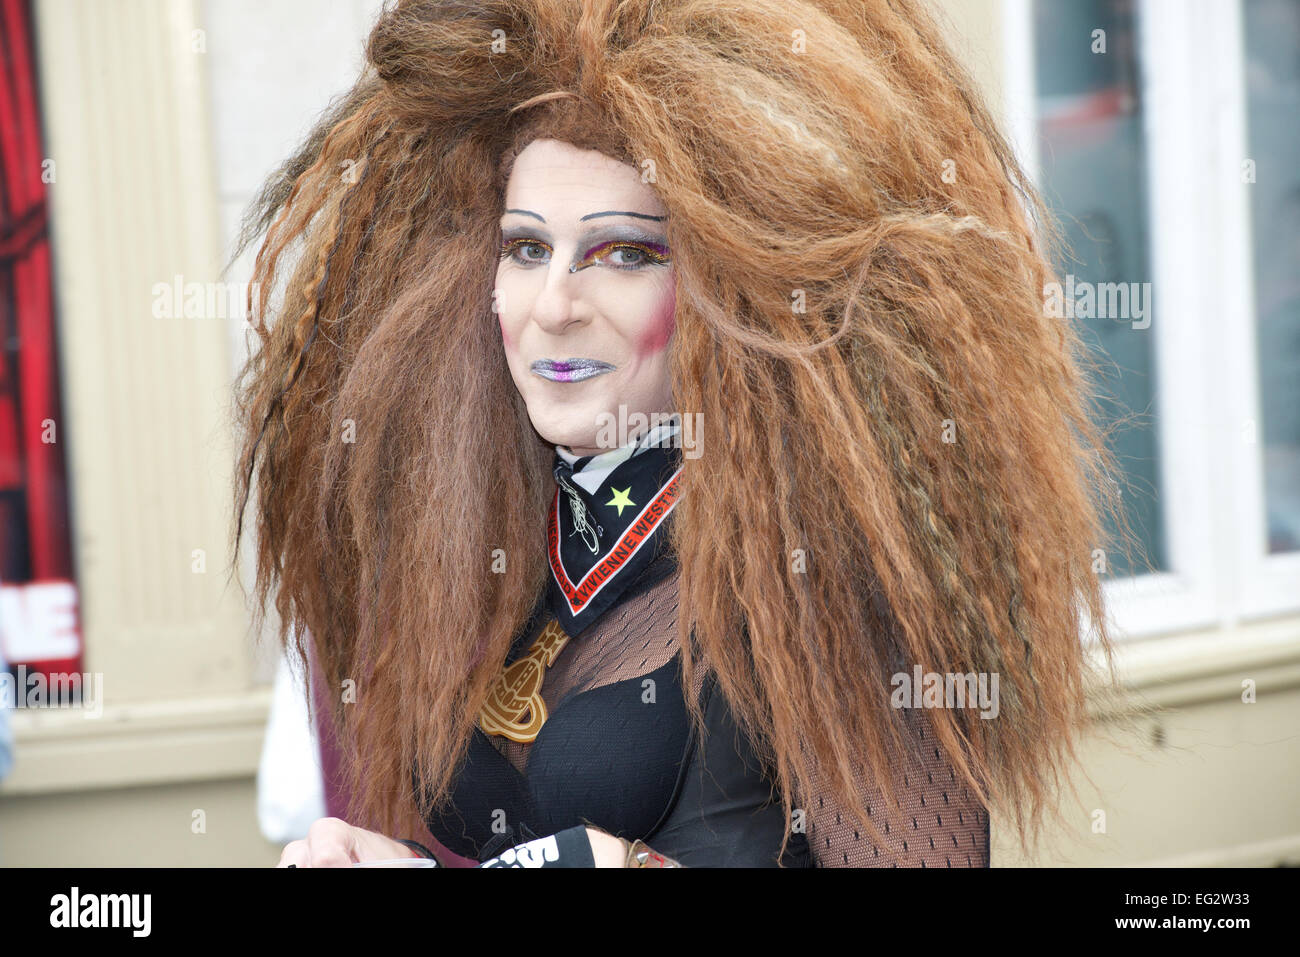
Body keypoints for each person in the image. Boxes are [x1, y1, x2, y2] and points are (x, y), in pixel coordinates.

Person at [230, 0, 1132, 867]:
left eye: (624, 253)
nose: (555, 306)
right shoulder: (500, 546)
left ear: (719, 283)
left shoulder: (835, 571)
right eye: (527, 248)